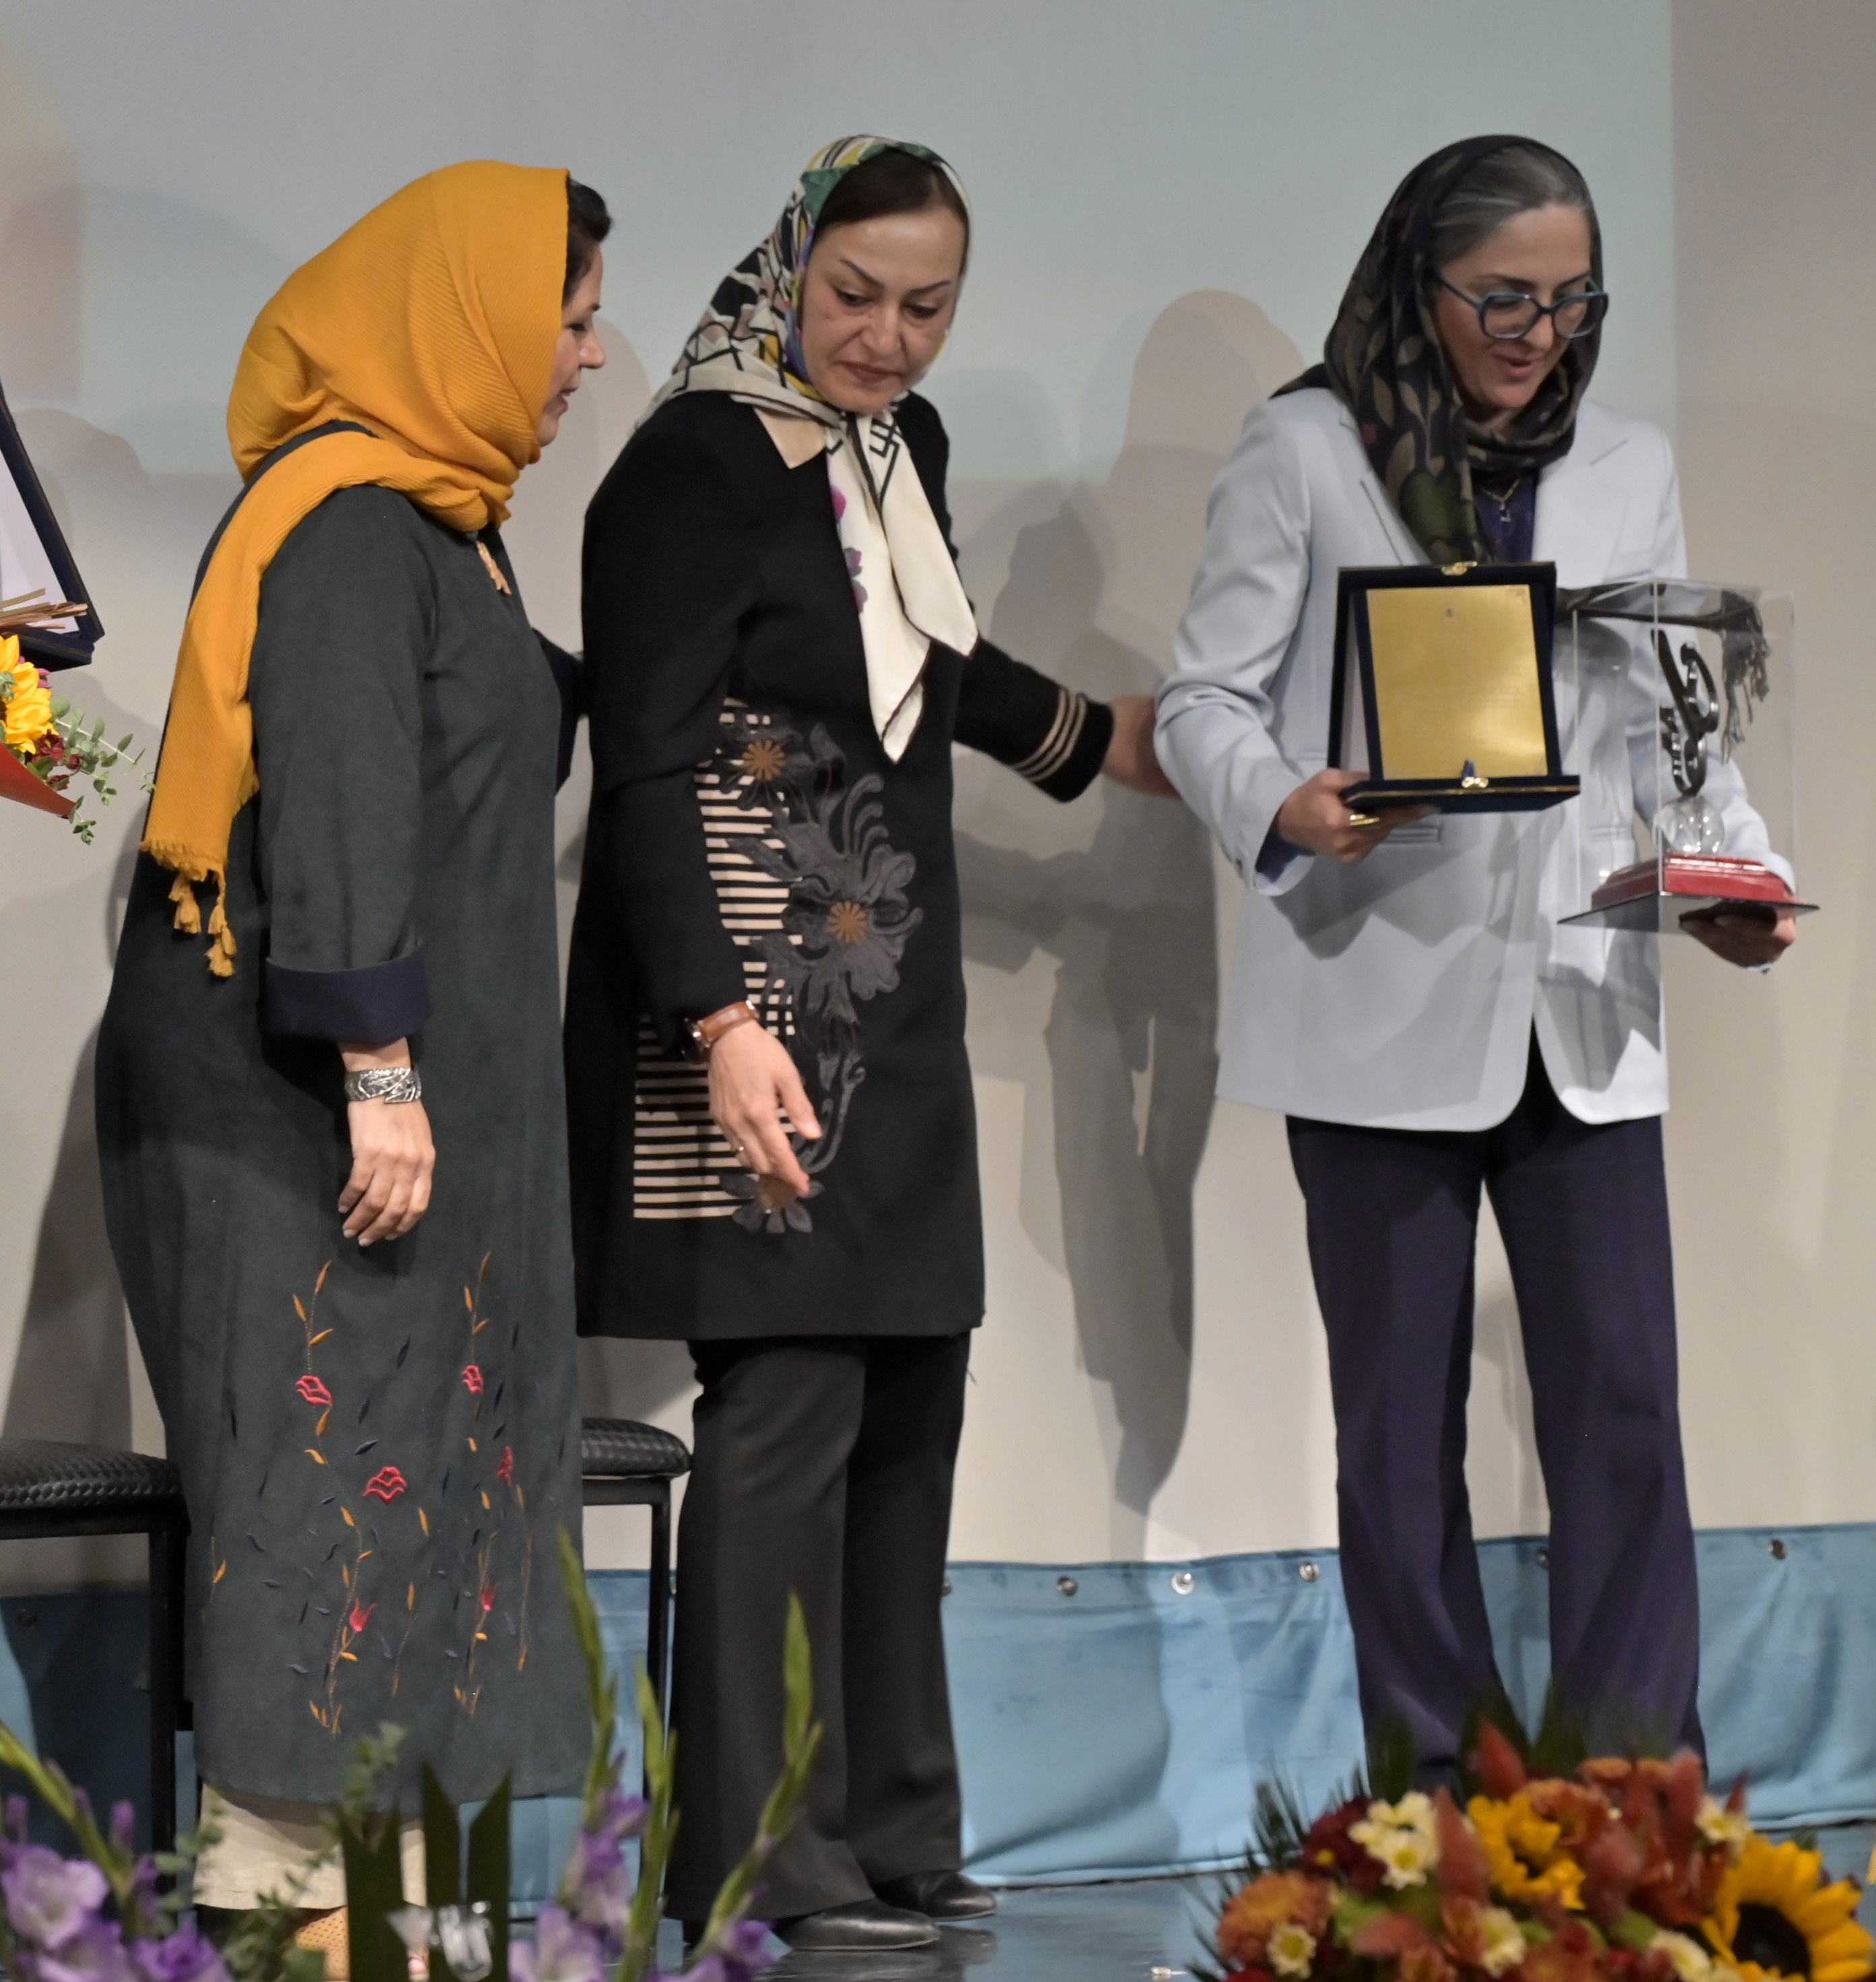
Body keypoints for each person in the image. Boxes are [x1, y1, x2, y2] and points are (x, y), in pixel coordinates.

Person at [565, 136, 1172, 1952]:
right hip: (748, 1002)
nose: (886, 337)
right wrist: (717, 1018)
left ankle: (897, 1826)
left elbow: (930, 661)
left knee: (912, 1398)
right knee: (788, 1405)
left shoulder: (899, 451)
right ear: (790, 266)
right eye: (855, 296)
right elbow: (646, 762)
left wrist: (1107, 740)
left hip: (885, 994)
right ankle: (761, 1857)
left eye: (926, 307)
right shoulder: (690, 464)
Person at [1154, 136, 1796, 1778]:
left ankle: (1638, 1789)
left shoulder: (1628, 461)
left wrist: (1738, 871)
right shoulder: (1307, 449)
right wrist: (1284, 799)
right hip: (1375, 997)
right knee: (1396, 1431)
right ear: (1417, 279)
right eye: (1503, 298)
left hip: (1583, 1004)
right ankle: (1439, 1796)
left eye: (1573, 300)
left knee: (1627, 1410)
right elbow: (1202, 702)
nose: (1540, 334)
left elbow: (1670, 719)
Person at [95, 161, 611, 1937]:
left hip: (393, 1117)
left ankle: (396, 1936)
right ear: (463, 313)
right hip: (300, 1118)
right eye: (567, 319)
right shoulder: (341, 531)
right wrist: (381, 1073)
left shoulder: (444, 526)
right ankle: (285, 1935)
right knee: (322, 1514)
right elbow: (342, 810)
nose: (584, 355)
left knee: (410, 1516)